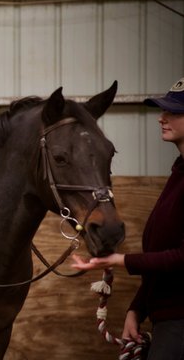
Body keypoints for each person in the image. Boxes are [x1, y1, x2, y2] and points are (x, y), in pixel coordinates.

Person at [71, 77, 184, 359]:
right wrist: (137, 308)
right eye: (163, 110)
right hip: (168, 320)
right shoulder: (178, 175)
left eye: (174, 112)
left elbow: (182, 257)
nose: (162, 118)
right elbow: (162, 257)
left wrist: (120, 261)